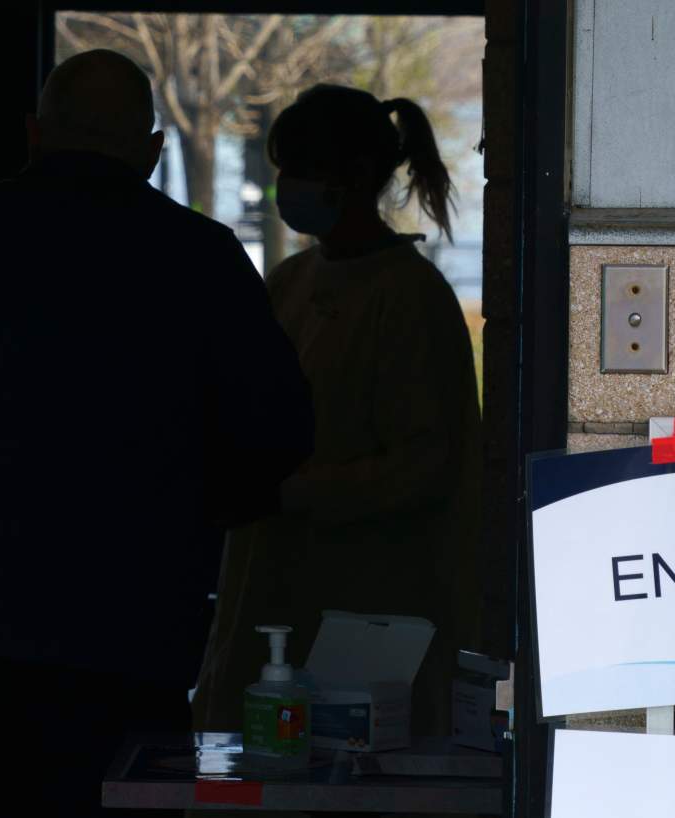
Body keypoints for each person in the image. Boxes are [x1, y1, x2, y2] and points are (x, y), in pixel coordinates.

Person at [0, 49, 314, 817]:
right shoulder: (201, 258)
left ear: (34, 133)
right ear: (153, 150)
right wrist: (188, 507)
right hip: (128, 630)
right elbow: (278, 433)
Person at [192, 85, 484, 740]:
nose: (287, 186)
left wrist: (290, 492)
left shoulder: (410, 297)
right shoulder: (290, 282)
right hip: (273, 580)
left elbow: (424, 463)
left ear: (353, 177)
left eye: (301, 168)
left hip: (368, 605)